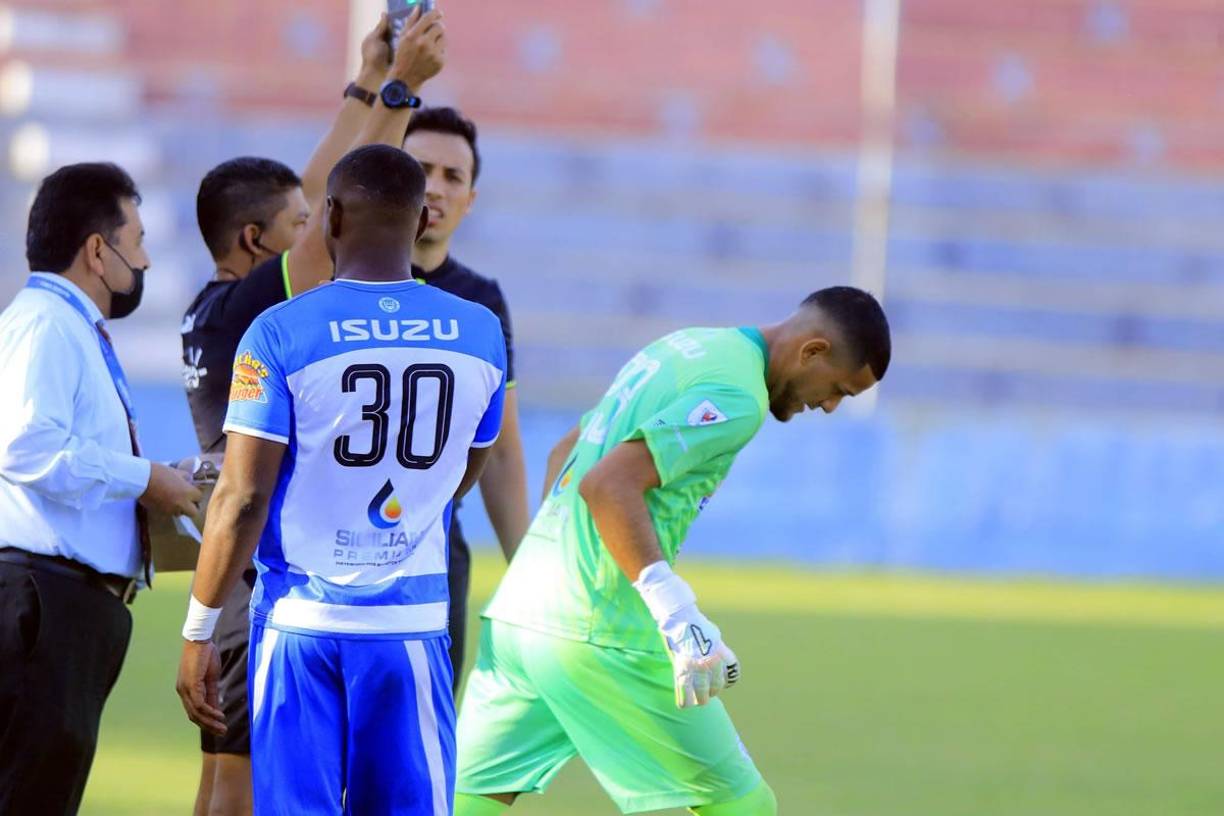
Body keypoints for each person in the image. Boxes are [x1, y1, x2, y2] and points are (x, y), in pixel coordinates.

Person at [453, 287, 892, 816]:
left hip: (521, 618)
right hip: (601, 628)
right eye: (839, 390)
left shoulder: (686, 347)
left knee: (467, 801)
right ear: (813, 351)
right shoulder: (738, 395)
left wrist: (557, 578)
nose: (830, 406)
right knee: (744, 806)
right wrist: (677, 612)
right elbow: (607, 485)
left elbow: (566, 451)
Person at [177, 143, 507, 814]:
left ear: (330, 216)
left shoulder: (278, 332)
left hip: (302, 625)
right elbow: (466, 468)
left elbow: (242, 497)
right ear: (421, 219)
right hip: (411, 625)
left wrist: (199, 629)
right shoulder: (480, 331)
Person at [0, 162, 203, 816]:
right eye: (136, 241)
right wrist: (145, 479)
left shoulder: (65, 325)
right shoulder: (47, 323)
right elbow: (24, 446)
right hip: (46, 604)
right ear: (97, 250)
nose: (144, 261)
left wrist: (161, 477)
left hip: (65, 607)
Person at [404, 106, 529, 684]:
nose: (435, 186)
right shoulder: (332, 279)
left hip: (435, 558)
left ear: (470, 199)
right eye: (420, 168)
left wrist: (526, 575)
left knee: (426, 732)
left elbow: (500, 450)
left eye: (452, 176)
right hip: (330, 555)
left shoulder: (483, 304)